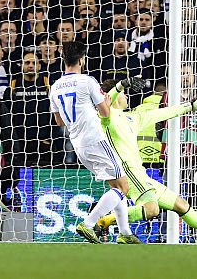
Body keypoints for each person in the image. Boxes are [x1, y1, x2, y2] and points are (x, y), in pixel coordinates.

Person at [92, 79, 197, 244]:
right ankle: (103, 221)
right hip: (128, 172)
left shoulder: (132, 117)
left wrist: (191, 106)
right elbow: (106, 100)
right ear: (112, 98)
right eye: (123, 94)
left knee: (180, 204)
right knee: (152, 209)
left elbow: (164, 113)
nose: (126, 96)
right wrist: (121, 85)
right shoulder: (106, 118)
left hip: (141, 174)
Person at [49, 41, 141, 244]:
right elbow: (106, 112)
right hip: (95, 139)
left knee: (115, 186)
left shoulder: (54, 87)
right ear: (82, 59)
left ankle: (125, 233)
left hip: (77, 144)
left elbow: (59, 121)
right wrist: (102, 104)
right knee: (123, 187)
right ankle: (89, 223)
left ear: (64, 60)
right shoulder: (87, 81)